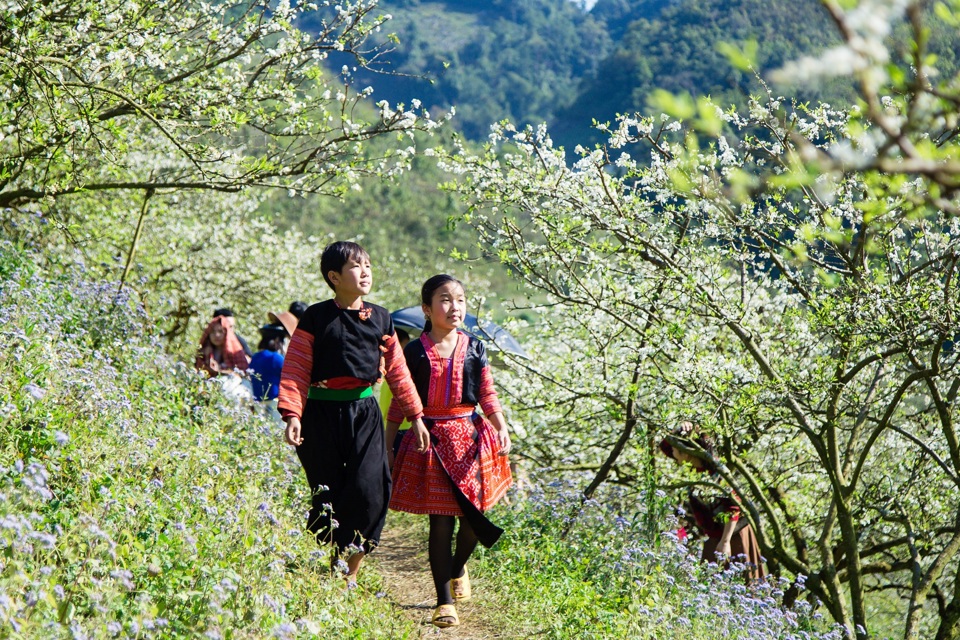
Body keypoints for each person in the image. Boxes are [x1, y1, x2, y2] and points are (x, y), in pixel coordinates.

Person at [278, 241, 428, 588]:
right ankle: (332, 559)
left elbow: (398, 371)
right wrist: (292, 414)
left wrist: (416, 416)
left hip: (364, 413)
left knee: (370, 490)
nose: (365, 273)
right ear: (334, 276)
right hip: (320, 414)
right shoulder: (316, 317)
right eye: (356, 267)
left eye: (369, 266)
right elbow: (297, 368)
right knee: (328, 490)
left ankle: (352, 570)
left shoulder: (380, 318)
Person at [387, 274, 513, 628]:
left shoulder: (474, 347)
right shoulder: (412, 351)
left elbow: (487, 392)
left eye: (459, 299)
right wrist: (387, 444)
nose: (454, 306)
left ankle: (458, 568)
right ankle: (444, 601)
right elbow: (399, 401)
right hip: (430, 442)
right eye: (445, 299)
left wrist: (501, 426)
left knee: (472, 519)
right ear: (427, 309)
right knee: (440, 522)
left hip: (471, 441)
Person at [659, 423, 766, 582]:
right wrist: (681, 429)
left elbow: (733, 508)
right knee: (709, 583)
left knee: (741, 584)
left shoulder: (715, 472)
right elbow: (665, 446)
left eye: (676, 449)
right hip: (716, 536)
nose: (672, 453)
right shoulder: (694, 472)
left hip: (733, 535)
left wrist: (725, 542)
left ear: (687, 453)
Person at [249, 311, 298, 423]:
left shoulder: (255, 357)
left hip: (258, 404)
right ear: (277, 340)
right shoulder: (277, 358)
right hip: (275, 405)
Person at [379, 327, 411, 460]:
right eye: (403, 348)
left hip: (396, 428)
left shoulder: (388, 369)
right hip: (395, 428)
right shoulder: (389, 369)